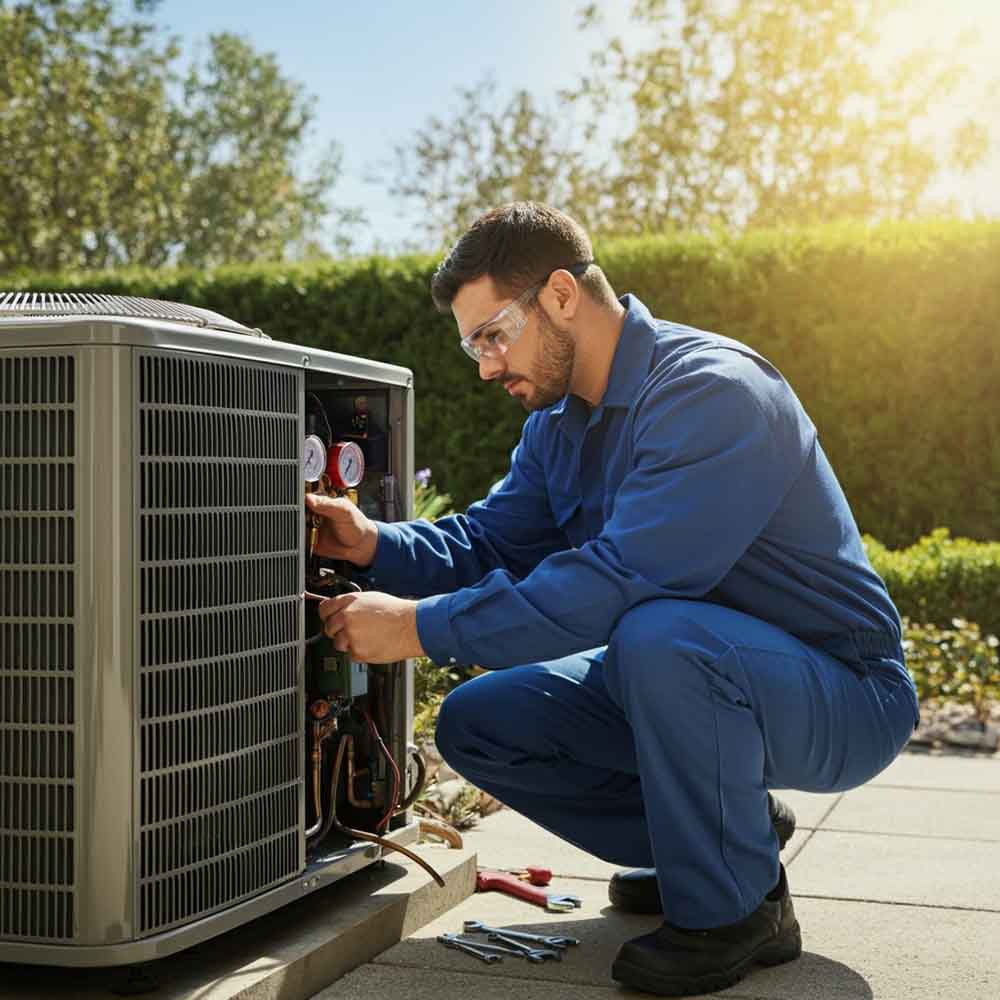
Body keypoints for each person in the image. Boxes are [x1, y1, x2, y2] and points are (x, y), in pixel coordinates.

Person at [306, 202, 919, 997]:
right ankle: (727, 841)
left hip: (844, 693)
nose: (486, 366)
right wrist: (373, 545)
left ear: (560, 295)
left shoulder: (713, 394)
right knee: (481, 723)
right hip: (692, 671)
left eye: (492, 334)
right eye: (473, 346)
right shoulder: (559, 426)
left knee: (657, 633)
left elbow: (618, 582)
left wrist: (419, 628)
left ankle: (738, 911)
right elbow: (491, 540)